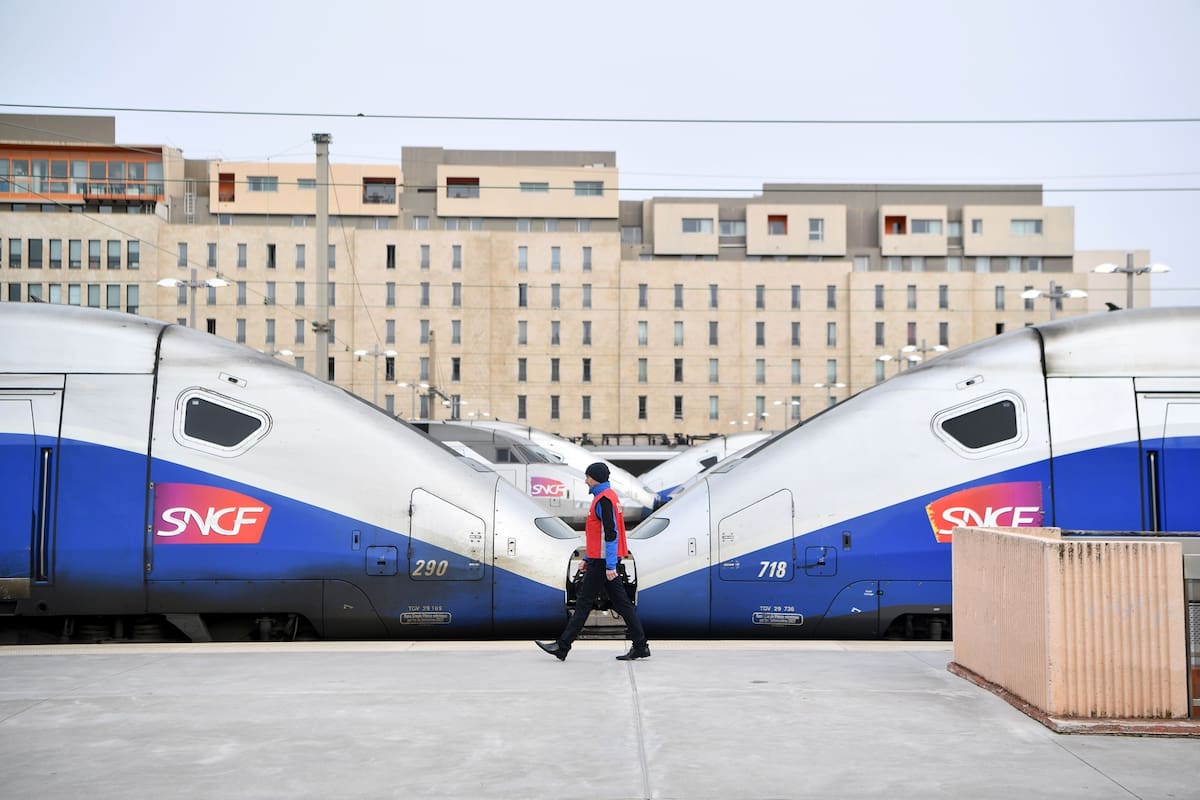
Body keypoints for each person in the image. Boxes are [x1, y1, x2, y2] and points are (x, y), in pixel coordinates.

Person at [535, 462, 651, 661]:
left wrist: (610, 565)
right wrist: (588, 559)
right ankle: (640, 645)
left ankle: (562, 647)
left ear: (595, 478)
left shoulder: (604, 500)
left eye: (588, 476)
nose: (585, 480)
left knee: (584, 603)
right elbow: (599, 536)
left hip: (603, 563)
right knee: (622, 604)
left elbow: (611, 534)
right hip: (600, 561)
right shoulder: (607, 497)